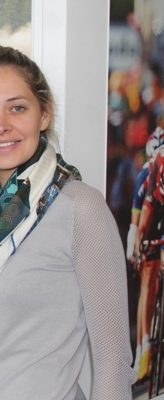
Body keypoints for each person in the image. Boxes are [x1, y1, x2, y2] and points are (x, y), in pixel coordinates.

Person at [0, 46, 136, 400]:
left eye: (17, 108)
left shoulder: (80, 208)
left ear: (44, 114)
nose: (1, 126)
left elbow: (113, 361)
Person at [129, 127, 164, 379]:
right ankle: (144, 349)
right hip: (151, 223)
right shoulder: (149, 171)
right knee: (148, 283)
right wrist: (136, 241)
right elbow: (141, 212)